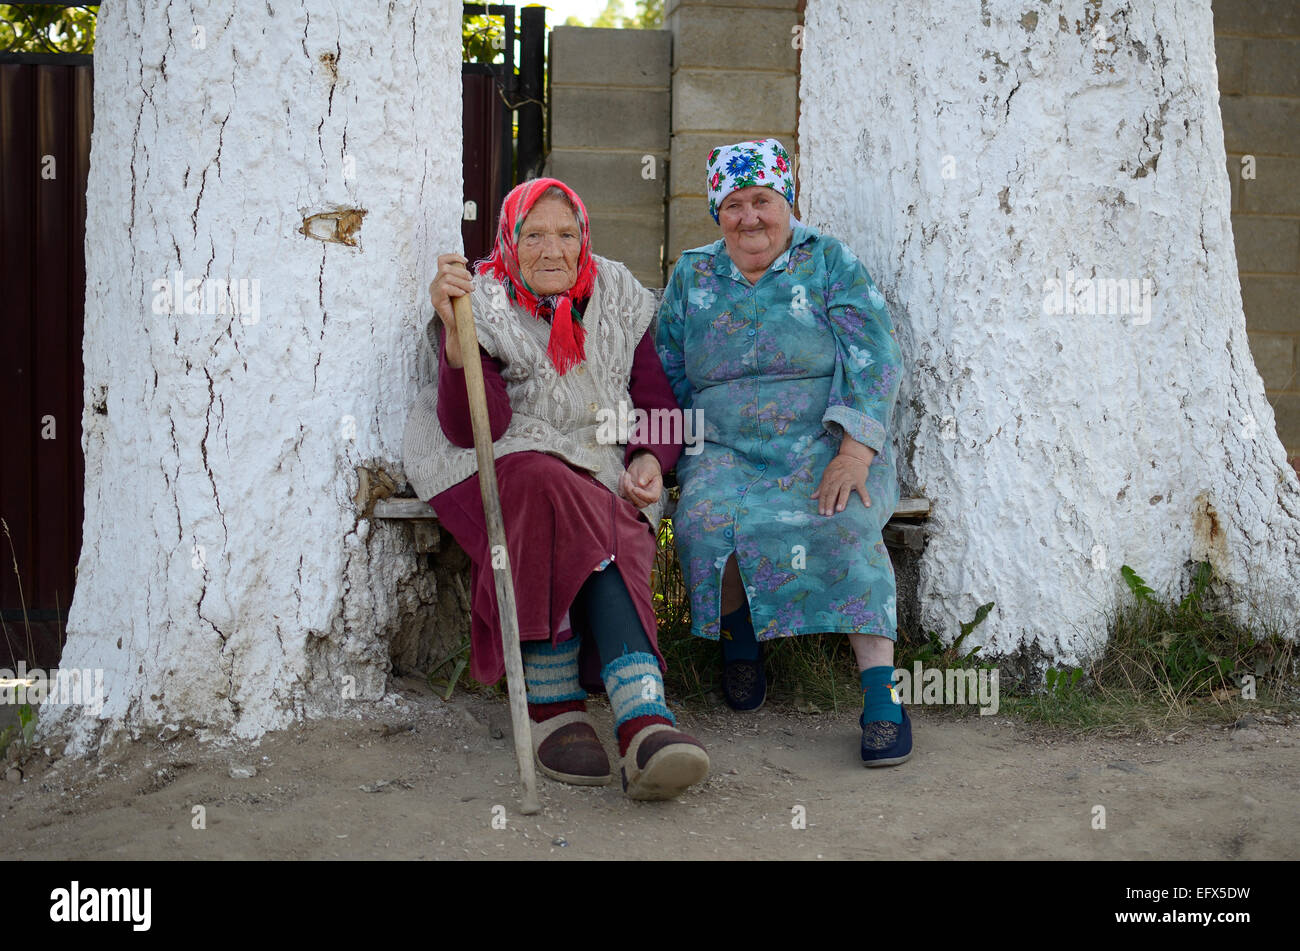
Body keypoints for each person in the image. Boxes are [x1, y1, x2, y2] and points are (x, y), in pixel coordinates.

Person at [402, 178, 710, 799]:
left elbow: (655, 401)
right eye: (534, 235)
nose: (552, 250)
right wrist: (458, 338)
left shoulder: (618, 292)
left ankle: (640, 721)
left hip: (592, 462)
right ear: (509, 242)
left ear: (584, 238)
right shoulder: (479, 300)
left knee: (606, 511)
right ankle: (567, 703)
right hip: (489, 463)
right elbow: (470, 429)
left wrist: (651, 457)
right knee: (546, 482)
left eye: (566, 234)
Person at [655, 139, 911, 766]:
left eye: (762, 201)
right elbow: (664, 370)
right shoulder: (693, 272)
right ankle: (742, 647)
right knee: (706, 521)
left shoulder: (827, 261)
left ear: (787, 202)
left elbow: (875, 355)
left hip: (820, 443)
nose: (750, 218)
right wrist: (659, 457)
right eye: (733, 204)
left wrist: (855, 451)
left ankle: (882, 694)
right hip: (724, 448)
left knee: (847, 520)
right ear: (718, 211)